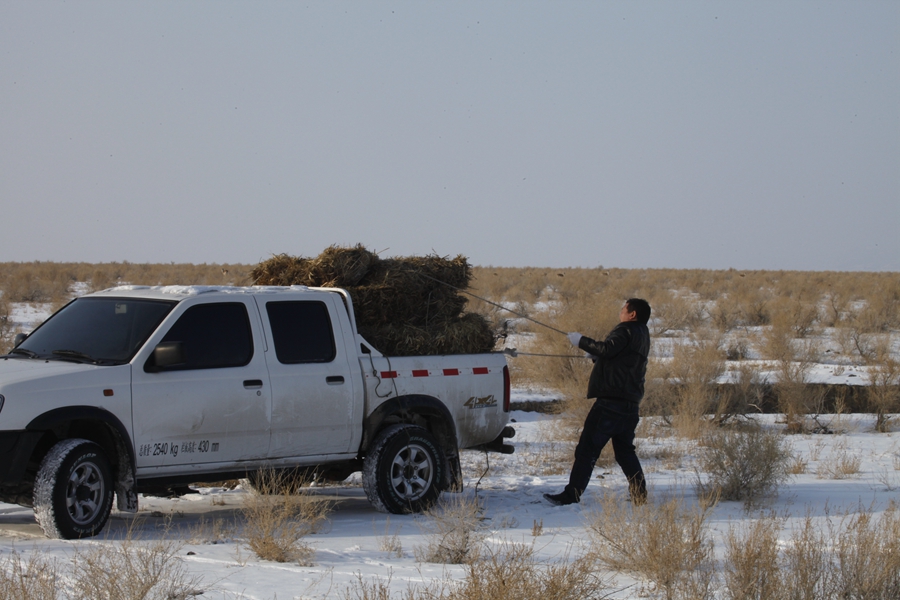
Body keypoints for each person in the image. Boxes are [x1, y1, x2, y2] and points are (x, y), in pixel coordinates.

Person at [544, 298, 651, 506]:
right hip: (631, 403)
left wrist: (582, 341)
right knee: (625, 452)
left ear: (632, 314)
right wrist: (596, 357)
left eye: (624, 308)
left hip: (610, 404)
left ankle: (571, 494)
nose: (620, 311)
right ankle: (639, 494)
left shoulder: (625, 329)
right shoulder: (643, 334)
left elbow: (608, 349)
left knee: (587, 449)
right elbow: (621, 361)